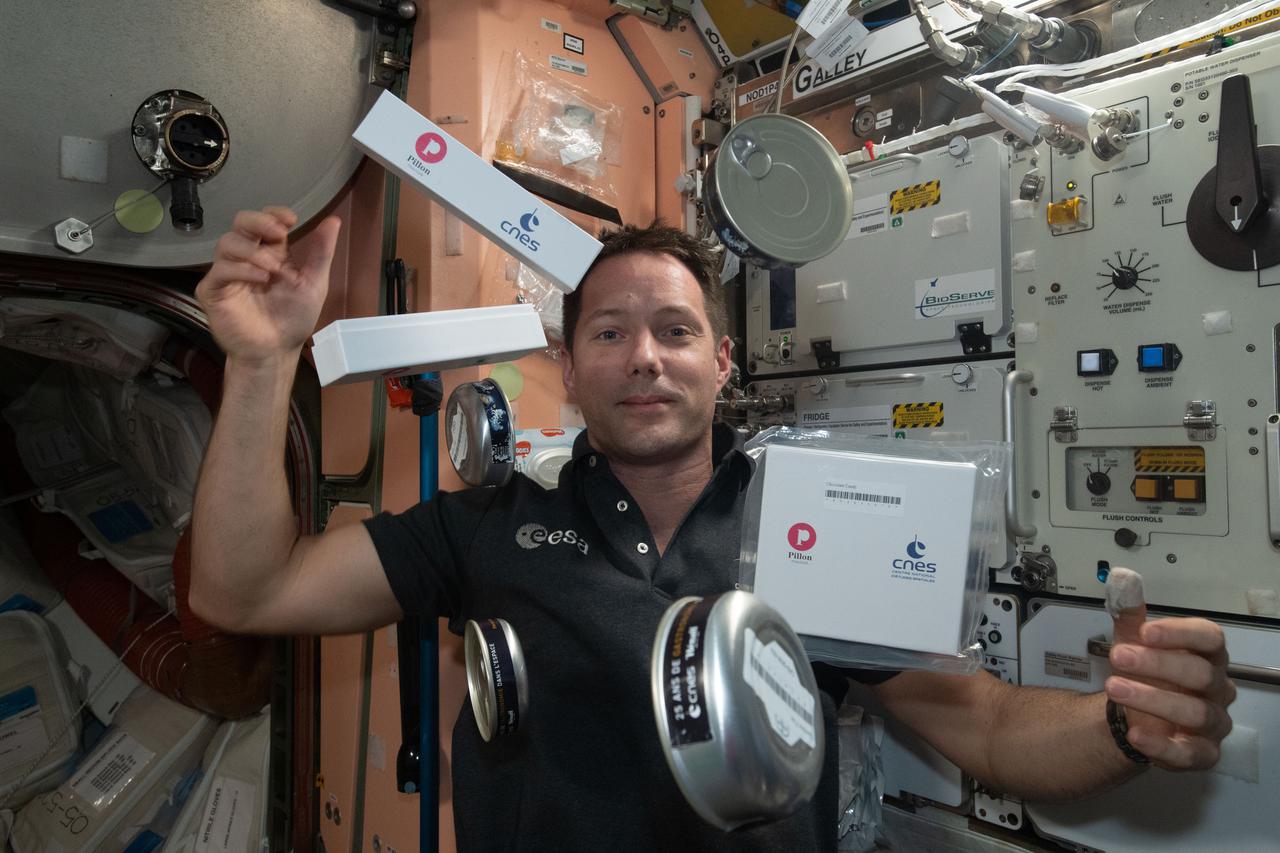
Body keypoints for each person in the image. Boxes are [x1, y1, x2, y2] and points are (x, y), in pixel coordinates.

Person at [191, 206, 1237, 852]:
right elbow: (246, 590)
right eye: (607, 332)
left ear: (721, 365)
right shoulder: (485, 529)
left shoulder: (811, 524)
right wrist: (257, 363)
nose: (643, 357)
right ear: (569, 367)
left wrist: (1119, 724)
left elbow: (994, 728)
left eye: (674, 330)